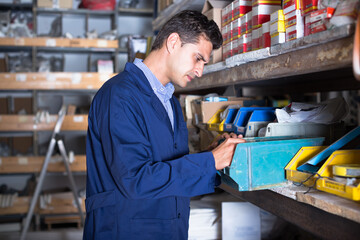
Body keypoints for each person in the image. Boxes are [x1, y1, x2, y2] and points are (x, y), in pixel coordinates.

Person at [83, 10, 245, 240]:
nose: (200, 71)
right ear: (173, 42)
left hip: (166, 229)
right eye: (198, 58)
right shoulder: (119, 96)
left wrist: (212, 157)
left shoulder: (168, 101)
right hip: (126, 230)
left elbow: (167, 167)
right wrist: (209, 162)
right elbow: (135, 179)